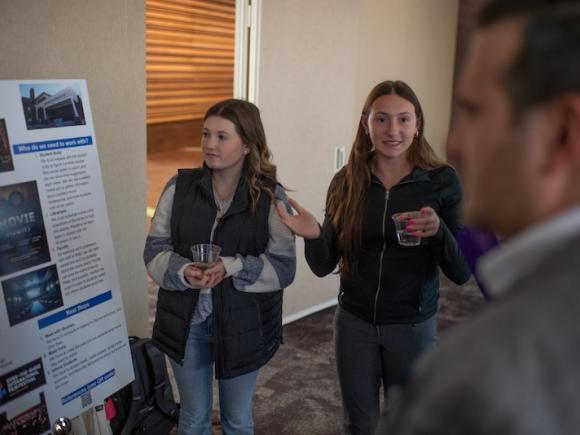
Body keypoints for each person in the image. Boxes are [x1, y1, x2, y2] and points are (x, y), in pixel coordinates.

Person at [385, 1, 580, 434]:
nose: (454, 143)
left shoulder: (475, 386)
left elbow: (456, 267)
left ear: (561, 133)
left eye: (473, 111)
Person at [277, 80, 471, 434]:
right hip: (354, 323)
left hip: (412, 326)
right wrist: (314, 235)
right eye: (381, 119)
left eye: (403, 119)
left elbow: (460, 272)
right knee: (359, 424)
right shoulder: (346, 182)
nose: (392, 130)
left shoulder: (442, 182)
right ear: (366, 123)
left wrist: (438, 232)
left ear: (418, 124)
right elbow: (323, 265)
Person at [144, 99, 296, 435]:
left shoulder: (271, 197)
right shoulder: (179, 188)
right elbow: (154, 248)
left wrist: (232, 266)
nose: (210, 144)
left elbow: (284, 267)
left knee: (237, 421)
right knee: (193, 419)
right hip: (186, 321)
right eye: (206, 134)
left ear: (247, 145)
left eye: (222, 137)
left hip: (244, 325)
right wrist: (185, 271)